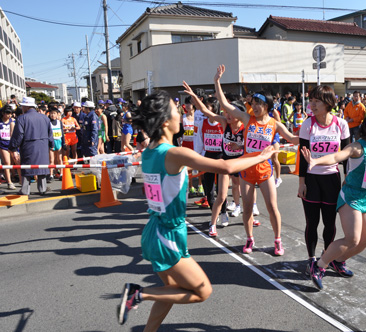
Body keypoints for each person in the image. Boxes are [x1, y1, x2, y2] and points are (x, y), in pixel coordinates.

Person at [117, 90, 277, 329]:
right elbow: (224, 165)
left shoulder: (149, 152)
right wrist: (260, 156)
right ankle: (139, 293)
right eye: (175, 109)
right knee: (202, 291)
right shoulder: (173, 153)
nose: (180, 112)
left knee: (171, 290)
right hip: (167, 234)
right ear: (164, 121)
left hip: (156, 231)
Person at [304, 111, 366, 290]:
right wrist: (316, 162)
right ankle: (318, 266)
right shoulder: (358, 147)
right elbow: (336, 156)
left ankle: (338, 260)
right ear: (364, 127)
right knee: (353, 239)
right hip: (350, 195)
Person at [214, 65, 299, 255]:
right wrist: (216, 82)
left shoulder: (274, 124)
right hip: (246, 171)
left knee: (272, 207)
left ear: (267, 105)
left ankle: (277, 240)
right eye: (252, 103)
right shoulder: (246, 118)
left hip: (265, 171)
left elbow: (292, 139)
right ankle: (249, 239)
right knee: (246, 208)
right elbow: (225, 105)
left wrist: (316, 137)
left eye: (258, 103)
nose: (254, 106)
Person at [297, 85, 353, 279]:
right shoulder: (308, 124)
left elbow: (347, 156)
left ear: (328, 103)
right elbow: (302, 156)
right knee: (311, 223)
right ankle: (312, 259)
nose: (312, 105)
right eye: (311, 101)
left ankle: (327, 259)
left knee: (330, 223)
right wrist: (301, 183)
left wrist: (347, 180)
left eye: (316, 101)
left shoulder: (341, 124)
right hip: (312, 180)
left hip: (332, 179)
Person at [183, 81, 245, 236]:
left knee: (243, 191)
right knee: (219, 194)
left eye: (231, 113)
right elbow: (204, 109)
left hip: (237, 162)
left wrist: (240, 148)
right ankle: (213, 223)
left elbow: (252, 145)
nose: (228, 115)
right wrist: (194, 96)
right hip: (219, 160)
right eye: (226, 113)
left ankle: (248, 213)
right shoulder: (223, 122)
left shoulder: (245, 126)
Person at [9, 97, 54, 196]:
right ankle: (42, 188)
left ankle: (25, 190)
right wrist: (51, 145)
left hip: (28, 145)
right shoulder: (45, 118)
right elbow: (50, 134)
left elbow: (18, 135)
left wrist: (13, 147)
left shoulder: (22, 118)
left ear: (26, 106)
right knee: (42, 167)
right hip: (43, 145)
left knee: (27, 167)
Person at [0, 104, 17, 189]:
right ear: (3, 113)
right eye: (7, 113)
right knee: (7, 162)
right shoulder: (0, 122)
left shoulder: (13, 121)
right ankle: (9, 182)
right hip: (3, 144)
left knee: (17, 161)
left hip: (12, 144)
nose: (9, 115)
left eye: (10, 113)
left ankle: (21, 180)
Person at [48, 106, 65, 182]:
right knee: (52, 159)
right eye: (51, 113)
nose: (52, 115)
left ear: (57, 114)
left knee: (59, 159)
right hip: (52, 142)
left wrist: (63, 143)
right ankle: (51, 174)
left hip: (59, 141)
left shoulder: (59, 122)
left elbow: (62, 133)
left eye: (54, 113)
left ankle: (61, 174)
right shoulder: (48, 122)